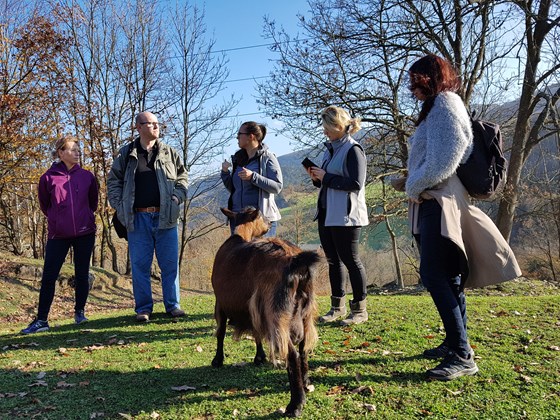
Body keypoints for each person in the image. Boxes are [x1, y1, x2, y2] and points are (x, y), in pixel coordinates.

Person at [403, 54, 521, 380]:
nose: (412, 88)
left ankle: (462, 354)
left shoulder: (446, 103)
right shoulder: (437, 107)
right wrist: (411, 180)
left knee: (435, 275)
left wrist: (415, 182)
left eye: (417, 80)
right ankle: (455, 342)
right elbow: (438, 157)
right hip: (435, 198)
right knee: (448, 276)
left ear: (431, 78)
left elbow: (451, 151)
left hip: (440, 202)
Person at [107, 111, 188, 323]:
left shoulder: (170, 153)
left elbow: (183, 177)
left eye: (157, 123)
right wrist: (120, 205)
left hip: (166, 217)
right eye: (150, 123)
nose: (155, 127)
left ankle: (173, 305)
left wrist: (177, 198)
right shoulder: (126, 154)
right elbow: (113, 182)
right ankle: (143, 308)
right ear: (138, 127)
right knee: (140, 266)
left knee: (169, 265)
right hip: (138, 219)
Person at [21, 136, 98, 334]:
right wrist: (58, 220)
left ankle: (80, 313)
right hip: (58, 235)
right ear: (61, 153)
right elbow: (45, 205)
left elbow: (93, 203)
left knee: (82, 274)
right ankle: (41, 320)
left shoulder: (88, 176)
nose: (77, 153)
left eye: (78, 150)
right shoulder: (47, 178)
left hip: (84, 232)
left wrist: (86, 218)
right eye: (72, 150)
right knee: (49, 277)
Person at [306, 105, 369, 326]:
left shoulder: (354, 150)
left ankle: (360, 310)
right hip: (326, 214)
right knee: (333, 261)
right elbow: (328, 181)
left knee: (352, 261)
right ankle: (337, 308)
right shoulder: (329, 149)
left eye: (327, 127)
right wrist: (317, 178)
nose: (324, 132)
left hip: (347, 216)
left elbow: (355, 183)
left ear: (339, 126)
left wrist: (327, 177)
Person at [221, 121, 283, 236]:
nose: (237, 137)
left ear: (251, 136)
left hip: (259, 221)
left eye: (239, 134)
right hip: (238, 220)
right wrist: (225, 173)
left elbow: (277, 187)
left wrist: (253, 177)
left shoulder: (268, 157)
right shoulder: (238, 159)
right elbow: (234, 189)